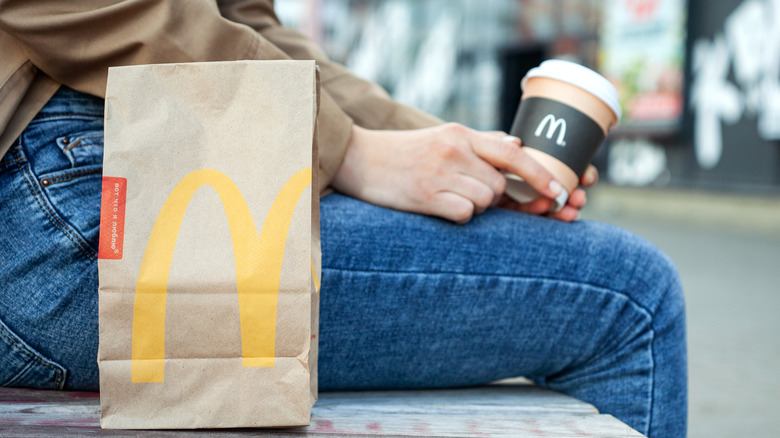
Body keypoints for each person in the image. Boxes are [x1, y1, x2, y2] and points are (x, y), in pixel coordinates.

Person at [0, 1, 687, 437]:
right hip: (52, 209)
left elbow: (248, 23)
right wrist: (349, 150)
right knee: (625, 297)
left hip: (124, 157)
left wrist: (452, 154)